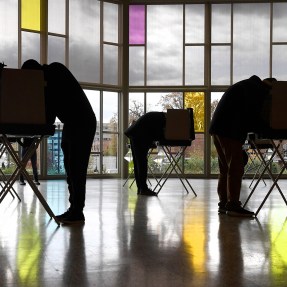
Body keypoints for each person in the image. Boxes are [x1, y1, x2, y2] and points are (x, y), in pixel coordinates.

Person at [22, 59, 97, 224]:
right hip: (73, 122)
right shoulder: (51, 75)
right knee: (70, 167)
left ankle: (77, 212)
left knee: (76, 167)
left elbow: (49, 112)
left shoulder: (53, 74)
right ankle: (74, 210)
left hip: (83, 122)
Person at [209, 75, 276, 217]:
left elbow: (247, 113)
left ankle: (223, 203)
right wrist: (268, 130)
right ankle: (233, 205)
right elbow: (255, 115)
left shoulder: (247, 85)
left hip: (217, 127)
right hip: (229, 129)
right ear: (271, 88)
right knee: (236, 167)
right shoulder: (258, 90)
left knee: (225, 168)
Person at [124, 112, 166, 196]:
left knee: (138, 163)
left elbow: (152, 132)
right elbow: (160, 135)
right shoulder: (163, 120)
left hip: (134, 133)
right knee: (142, 162)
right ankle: (143, 189)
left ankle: (141, 188)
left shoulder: (158, 116)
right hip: (139, 135)